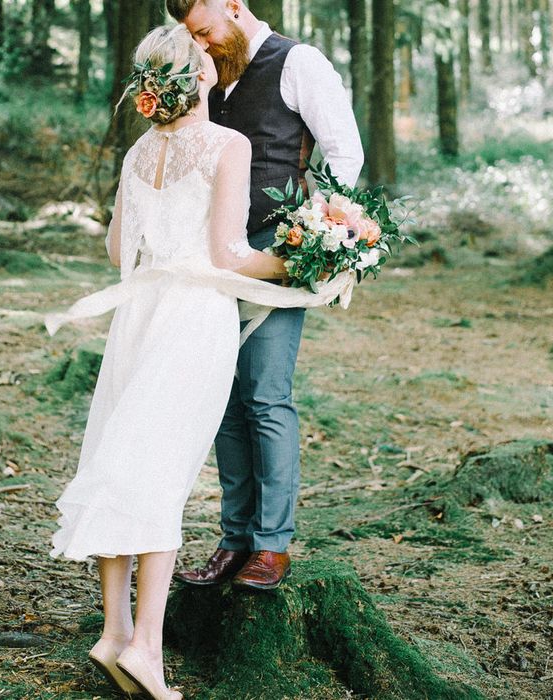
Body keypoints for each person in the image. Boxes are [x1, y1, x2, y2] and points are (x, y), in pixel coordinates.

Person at [45, 23, 354, 700]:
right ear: (204, 78)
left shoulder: (136, 154)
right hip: (194, 318)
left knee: (123, 459)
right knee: (161, 472)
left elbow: (116, 248)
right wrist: (311, 257)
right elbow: (229, 257)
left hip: (139, 315)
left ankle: (115, 631)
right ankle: (148, 650)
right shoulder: (227, 144)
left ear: (150, 89)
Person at [167, 0, 364, 591]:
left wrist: (320, 230)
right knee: (223, 398)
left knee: (265, 394)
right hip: (207, 256)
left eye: (203, 30)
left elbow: (345, 153)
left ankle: (272, 545)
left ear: (233, 5)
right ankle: (234, 539)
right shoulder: (206, 69)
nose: (199, 43)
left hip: (275, 254)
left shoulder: (299, 63)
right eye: (189, 36)